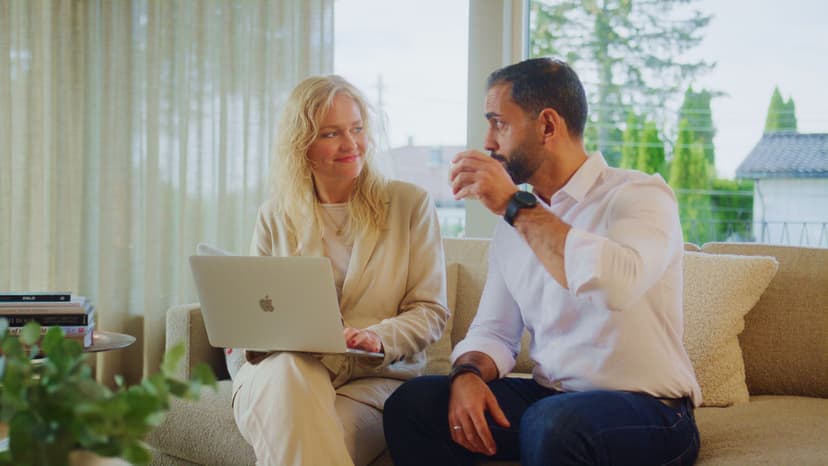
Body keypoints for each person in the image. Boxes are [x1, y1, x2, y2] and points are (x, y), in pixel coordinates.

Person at [383, 57, 701, 466]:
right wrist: (467, 375)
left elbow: (616, 284)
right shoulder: (513, 226)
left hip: (652, 410)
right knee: (415, 404)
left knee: (553, 425)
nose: (488, 141)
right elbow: (495, 332)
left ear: (548, 126)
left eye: (499, 123)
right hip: (552, 402)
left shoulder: (639, 196)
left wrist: (515, 206)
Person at [231, 75, 449, 466]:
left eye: (357, 129)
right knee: (290, 371)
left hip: (370, 379)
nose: (351, 145)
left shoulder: (409, 204)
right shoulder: (274, 215)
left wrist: (375, 337)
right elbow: (257, 310)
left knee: (302, 438)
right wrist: (244, 332)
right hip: (281, 370)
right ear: (303, 146)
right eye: (332, 133)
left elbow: (430, 312)